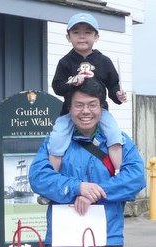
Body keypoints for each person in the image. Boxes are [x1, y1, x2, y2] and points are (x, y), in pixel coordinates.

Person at [29, 78, 145, 247]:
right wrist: (77, 187)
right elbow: (38, 177)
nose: (85, 111)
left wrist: (95, 192)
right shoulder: (55, 142)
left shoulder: (119, 142)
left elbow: (135, 177)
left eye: (92, 105)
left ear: (101, 107)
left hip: (107, 239)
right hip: (62, 239)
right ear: (69, 108)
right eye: (79, 105)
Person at [49, 12, 127, 177]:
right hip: (71, 111)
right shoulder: (65, 62)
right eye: (76, 32)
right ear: (68, 37)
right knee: (56, 139)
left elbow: (113, 85)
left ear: (96, 36)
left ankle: (119, 175)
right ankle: (52, 178)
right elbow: (57, 87)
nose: (82, 36)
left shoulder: (104, 61)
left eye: (88, 32)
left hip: (100, 110)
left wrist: (118, 95)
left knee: (114, 135)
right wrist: (72, 82)